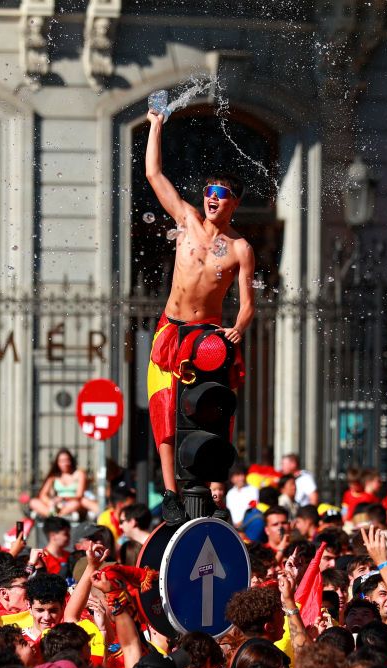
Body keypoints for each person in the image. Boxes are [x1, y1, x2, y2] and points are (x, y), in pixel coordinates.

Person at [144, 105, 256, 523]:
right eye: (209, 191)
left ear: (234, 203)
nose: (212, 198)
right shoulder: (185, 219)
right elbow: (155, 174)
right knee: (165, 403)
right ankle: (171, 492)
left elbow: (247, 304)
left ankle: (215, 487)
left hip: (208, 336)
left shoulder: (240, 248)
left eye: (221, 193)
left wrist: (238, 328)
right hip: (170, 330)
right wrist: (156, 125)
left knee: (215, 406)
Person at [27, 448, 98, 519]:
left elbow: (79, 495)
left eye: (67, 460)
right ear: (57, 463)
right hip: (55, 505)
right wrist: (50, 502)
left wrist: (63, 498)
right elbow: (43, 494)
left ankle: (56, 517)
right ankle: (52, 516)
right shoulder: (54, 476)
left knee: (76, 504)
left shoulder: (79, 474)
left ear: (71, 461)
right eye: (61, 461)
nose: (65, 464)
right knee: (33, 502)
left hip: (72, 503)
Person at [226, 461, 258, 527]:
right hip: (233, 527)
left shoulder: (253, 490)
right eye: (238, 475)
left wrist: (241, 523)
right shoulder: (230, 493)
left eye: (243, 474)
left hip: (249, 526)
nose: (242, 478)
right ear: (232, 478)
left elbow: (252, 509)